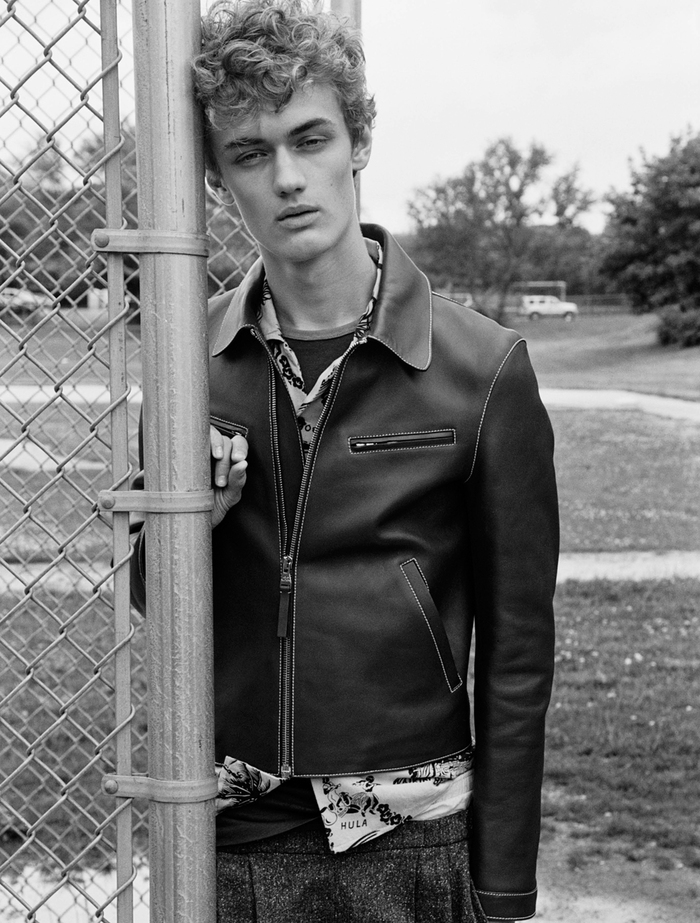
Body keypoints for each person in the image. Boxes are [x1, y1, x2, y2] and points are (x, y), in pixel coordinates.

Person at [131, 1, 559, 920]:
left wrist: (503, 885)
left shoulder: (484, 370)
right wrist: (190, 519)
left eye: (310, 138)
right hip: (236, 834)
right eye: (250, 153)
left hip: (413, 836)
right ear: (217, 181)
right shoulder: (186, 365)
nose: (287, 177)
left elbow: (519, 650)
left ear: (357, 141)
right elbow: (154, 599)